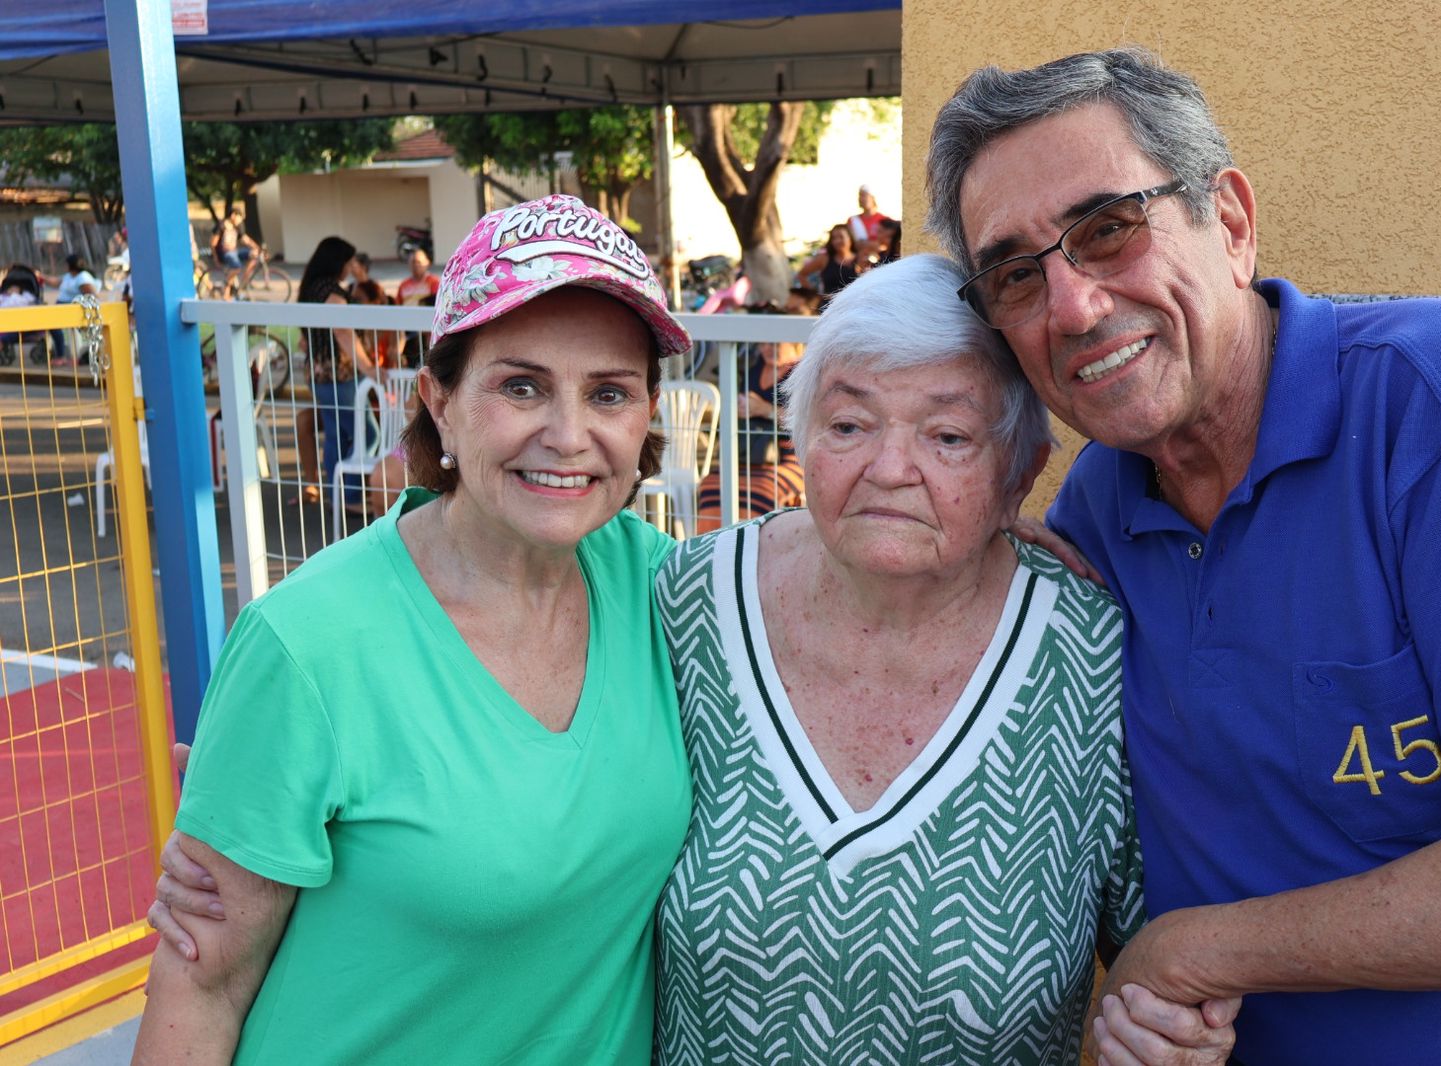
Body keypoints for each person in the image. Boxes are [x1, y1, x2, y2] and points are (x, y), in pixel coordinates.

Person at [153, 255, 1241, 1066]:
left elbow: (1157, 949)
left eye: (950, 439)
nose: (892, 471)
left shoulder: (1087, 648)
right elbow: (208, 964)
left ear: (1019, 470)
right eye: (850, 423)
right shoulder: (688, 599)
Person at [926, 46, 1441, 1065]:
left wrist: (1196, 953)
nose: (1071, 306)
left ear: (1231, 223)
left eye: (1108, 228)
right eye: (1016, 275)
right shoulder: (1100, 509)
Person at [131, 194, 695, 1065]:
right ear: (438, 399)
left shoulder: (668, 589)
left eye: (610, 393)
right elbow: (203, 983)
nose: (569, 435)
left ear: (646, 414)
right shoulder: (309, 644)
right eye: (521, 385)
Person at [295, 237, 378, 508]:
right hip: (339, 373)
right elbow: (342, 331)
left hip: (318, 373)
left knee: (336, 435)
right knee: (367, 433)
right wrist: (369, 368)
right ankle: (350, 496)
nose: (352, 265)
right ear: (338, 262)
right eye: (349, 260)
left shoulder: (311, 288)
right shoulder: (331, 292)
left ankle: (337, 495)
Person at [694, 336, 807, 531]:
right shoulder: (755, 369)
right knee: (711, 484)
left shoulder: (803, 373)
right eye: (763, 343)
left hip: (791, 458)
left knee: (762, 490)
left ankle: (756, 548)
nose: (767, 348)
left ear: (795, 342)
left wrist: (765, 409)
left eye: (775, 342)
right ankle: (713, 548)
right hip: (749, 454)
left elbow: (807, 419)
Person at [798, 224, 862, 296]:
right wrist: (814, 296)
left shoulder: (861, 258)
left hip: (856, 304)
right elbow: (801, 275)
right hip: (831, 305)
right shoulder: (824, 259)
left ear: (850, 238)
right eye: (834, 238)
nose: (837, 241)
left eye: (841, 237)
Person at [211, 207, 260, 297]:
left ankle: (243, 282)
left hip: (234, 251)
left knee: (254, 254)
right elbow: (213, 243)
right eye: (239, 217)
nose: (240, 220)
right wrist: (215, 258)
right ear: (233, 215)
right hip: (225, 253)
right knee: (237, 267)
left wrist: (257, 247)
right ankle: (226, 286)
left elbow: (245, 239)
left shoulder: (237, 227)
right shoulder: (221, 226)